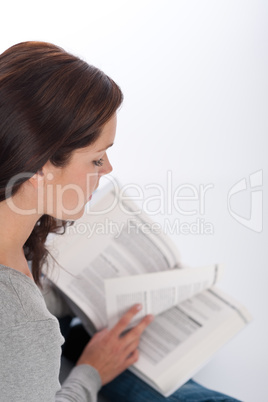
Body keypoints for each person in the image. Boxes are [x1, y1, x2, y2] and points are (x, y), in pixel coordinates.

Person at [0, 41, 240, 401]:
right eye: (97, 159)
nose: (108, 169)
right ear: (43, 166)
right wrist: (92, 372)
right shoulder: (22, 320)